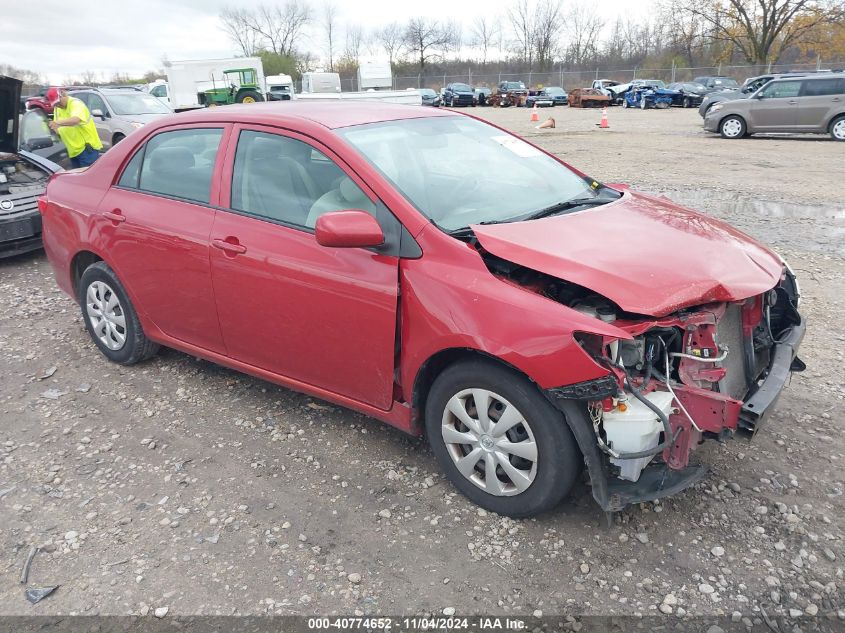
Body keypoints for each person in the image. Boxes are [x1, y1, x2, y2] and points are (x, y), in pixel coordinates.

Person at [45, 87, 103, 168]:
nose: (58, 106)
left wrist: (57, 123)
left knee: (87, 178)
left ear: (63, 95)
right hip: (73, 151)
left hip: (86, 149)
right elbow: (58, 129)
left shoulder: (75, 104)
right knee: (77, 178)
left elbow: (76, 120)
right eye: (55, 104)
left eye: (58, 102)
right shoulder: (57, 108)